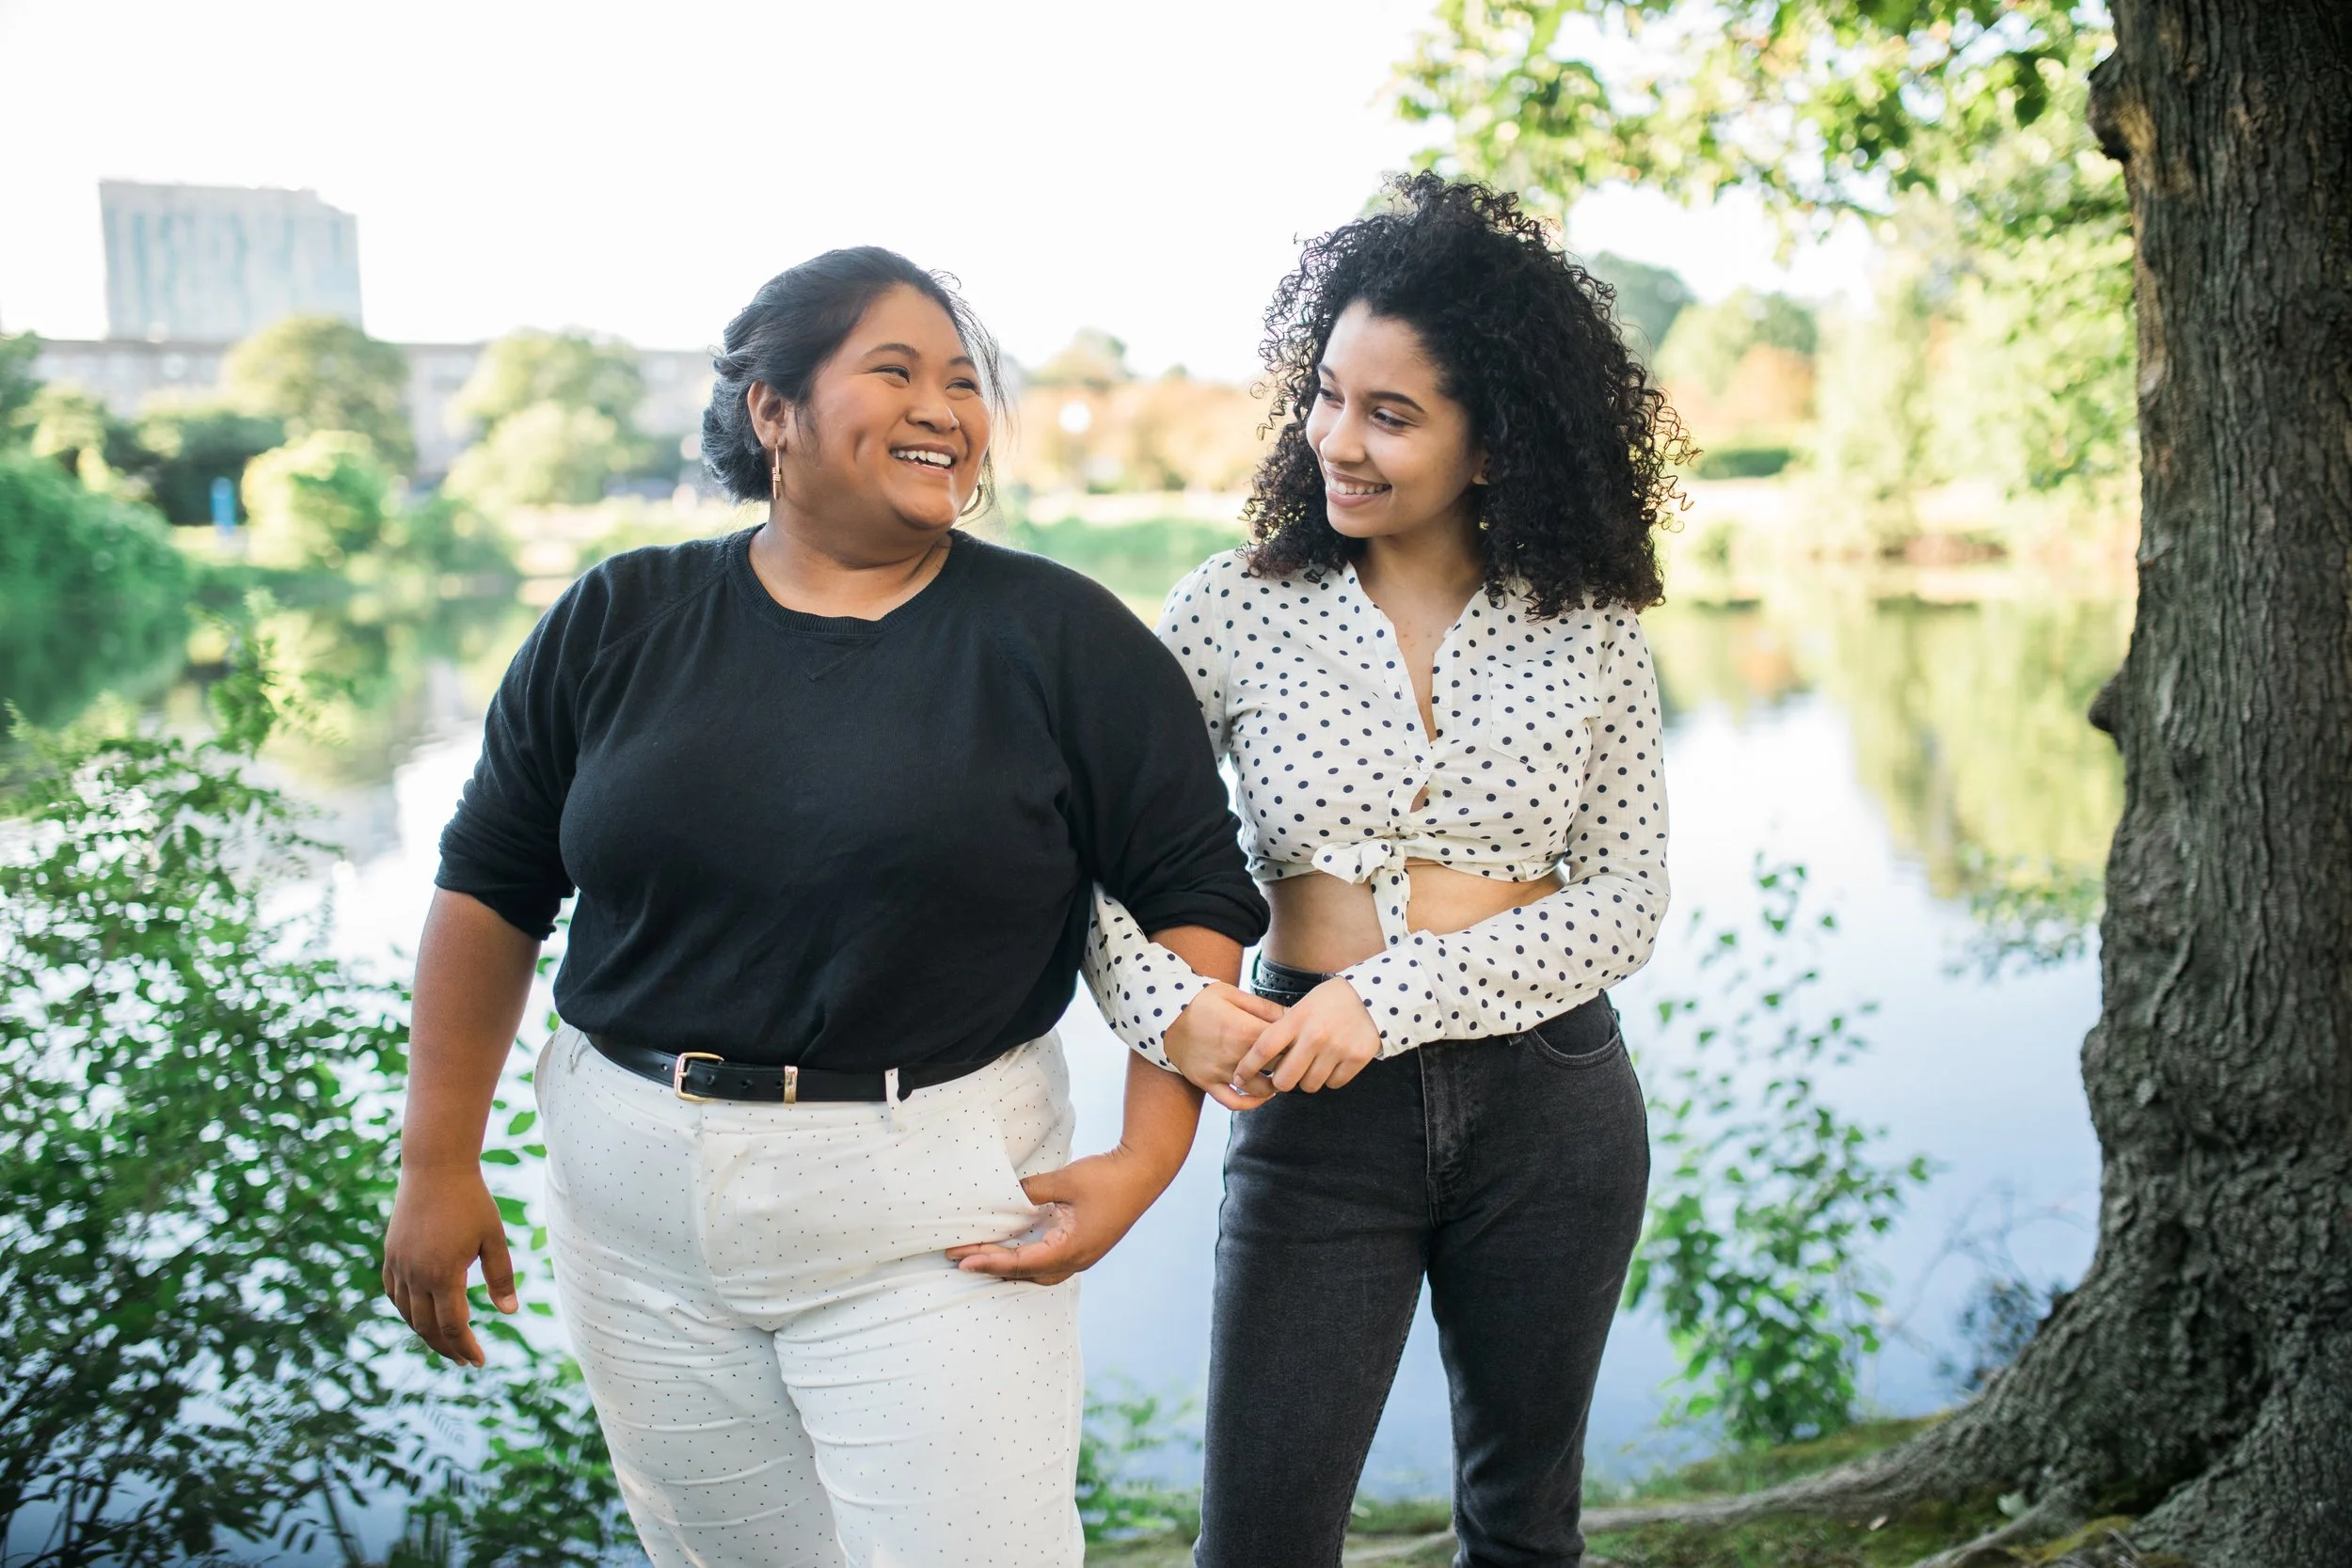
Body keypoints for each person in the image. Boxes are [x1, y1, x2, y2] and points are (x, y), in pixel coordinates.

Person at [379, 246, 1279, 1568]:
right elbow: (490, 885)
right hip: (633, 1212)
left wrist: (1149, 1156)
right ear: (773, 410)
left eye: (966, 383)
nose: (945, 407)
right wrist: (436, 1157)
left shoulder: (1065, 638)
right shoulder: (616, 615)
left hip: (940, 1210)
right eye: (897, 370)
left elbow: (1194, 893)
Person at [1084, 175, 1681, 1567]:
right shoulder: (1233, 607)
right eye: (1329, 395)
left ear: (1494, 443)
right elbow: (1103, 862)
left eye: (1391, 414)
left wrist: (1397, 995)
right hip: (1313, 1109)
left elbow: (1626, 893)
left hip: (1555, 1103)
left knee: (1526, 1532)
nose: (1337, 439)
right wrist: (1171, 1007)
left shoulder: (1585, 625)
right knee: (1262, 1543)